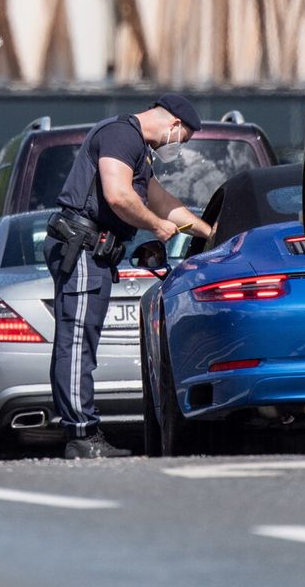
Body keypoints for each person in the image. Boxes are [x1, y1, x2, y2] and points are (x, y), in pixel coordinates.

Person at [46, 94, 213, 459]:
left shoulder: (135, 147)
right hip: (83, 247)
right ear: (173, 125)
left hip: (94, 250)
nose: (178, 147)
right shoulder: (123, 135)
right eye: (183, 139)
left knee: (81, 341)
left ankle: (83, 430)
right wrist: (156, 227)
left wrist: (209, 232)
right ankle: (81, 435)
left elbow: (162, 201)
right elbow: (119, 195)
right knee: (77, 342)